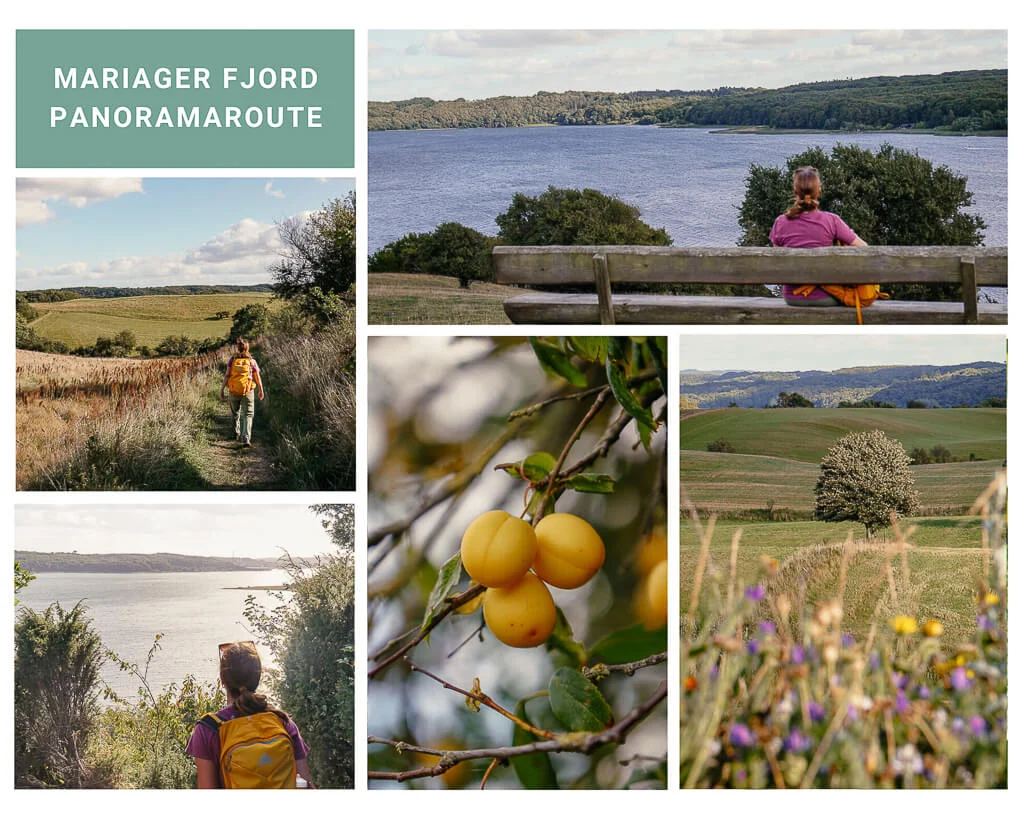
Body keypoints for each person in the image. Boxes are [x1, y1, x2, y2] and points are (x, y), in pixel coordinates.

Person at [186, 641, 315, 789]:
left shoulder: (209, 729)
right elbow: (306, 784)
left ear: (222, 680)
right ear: (258, 678)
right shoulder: (281, 721)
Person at [769, 166, 868, 306]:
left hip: (793, 298)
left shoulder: (781, 222)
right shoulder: (832, 221)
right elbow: (865, 249)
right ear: (819, 191)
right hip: (825, 297)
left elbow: (776, 259)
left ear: (795, 191)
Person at [221, 339, 265, 447]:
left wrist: (222, 389)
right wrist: (260, 390)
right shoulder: (252, 361)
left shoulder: (232, 360)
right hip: (248, 391)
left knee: (235, 413)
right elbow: (257, 377)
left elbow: (227, 375)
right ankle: (246, 438)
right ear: (247, 348)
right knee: (248, 414)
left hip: (233, 390)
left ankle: (236, 433)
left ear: (238, 348)